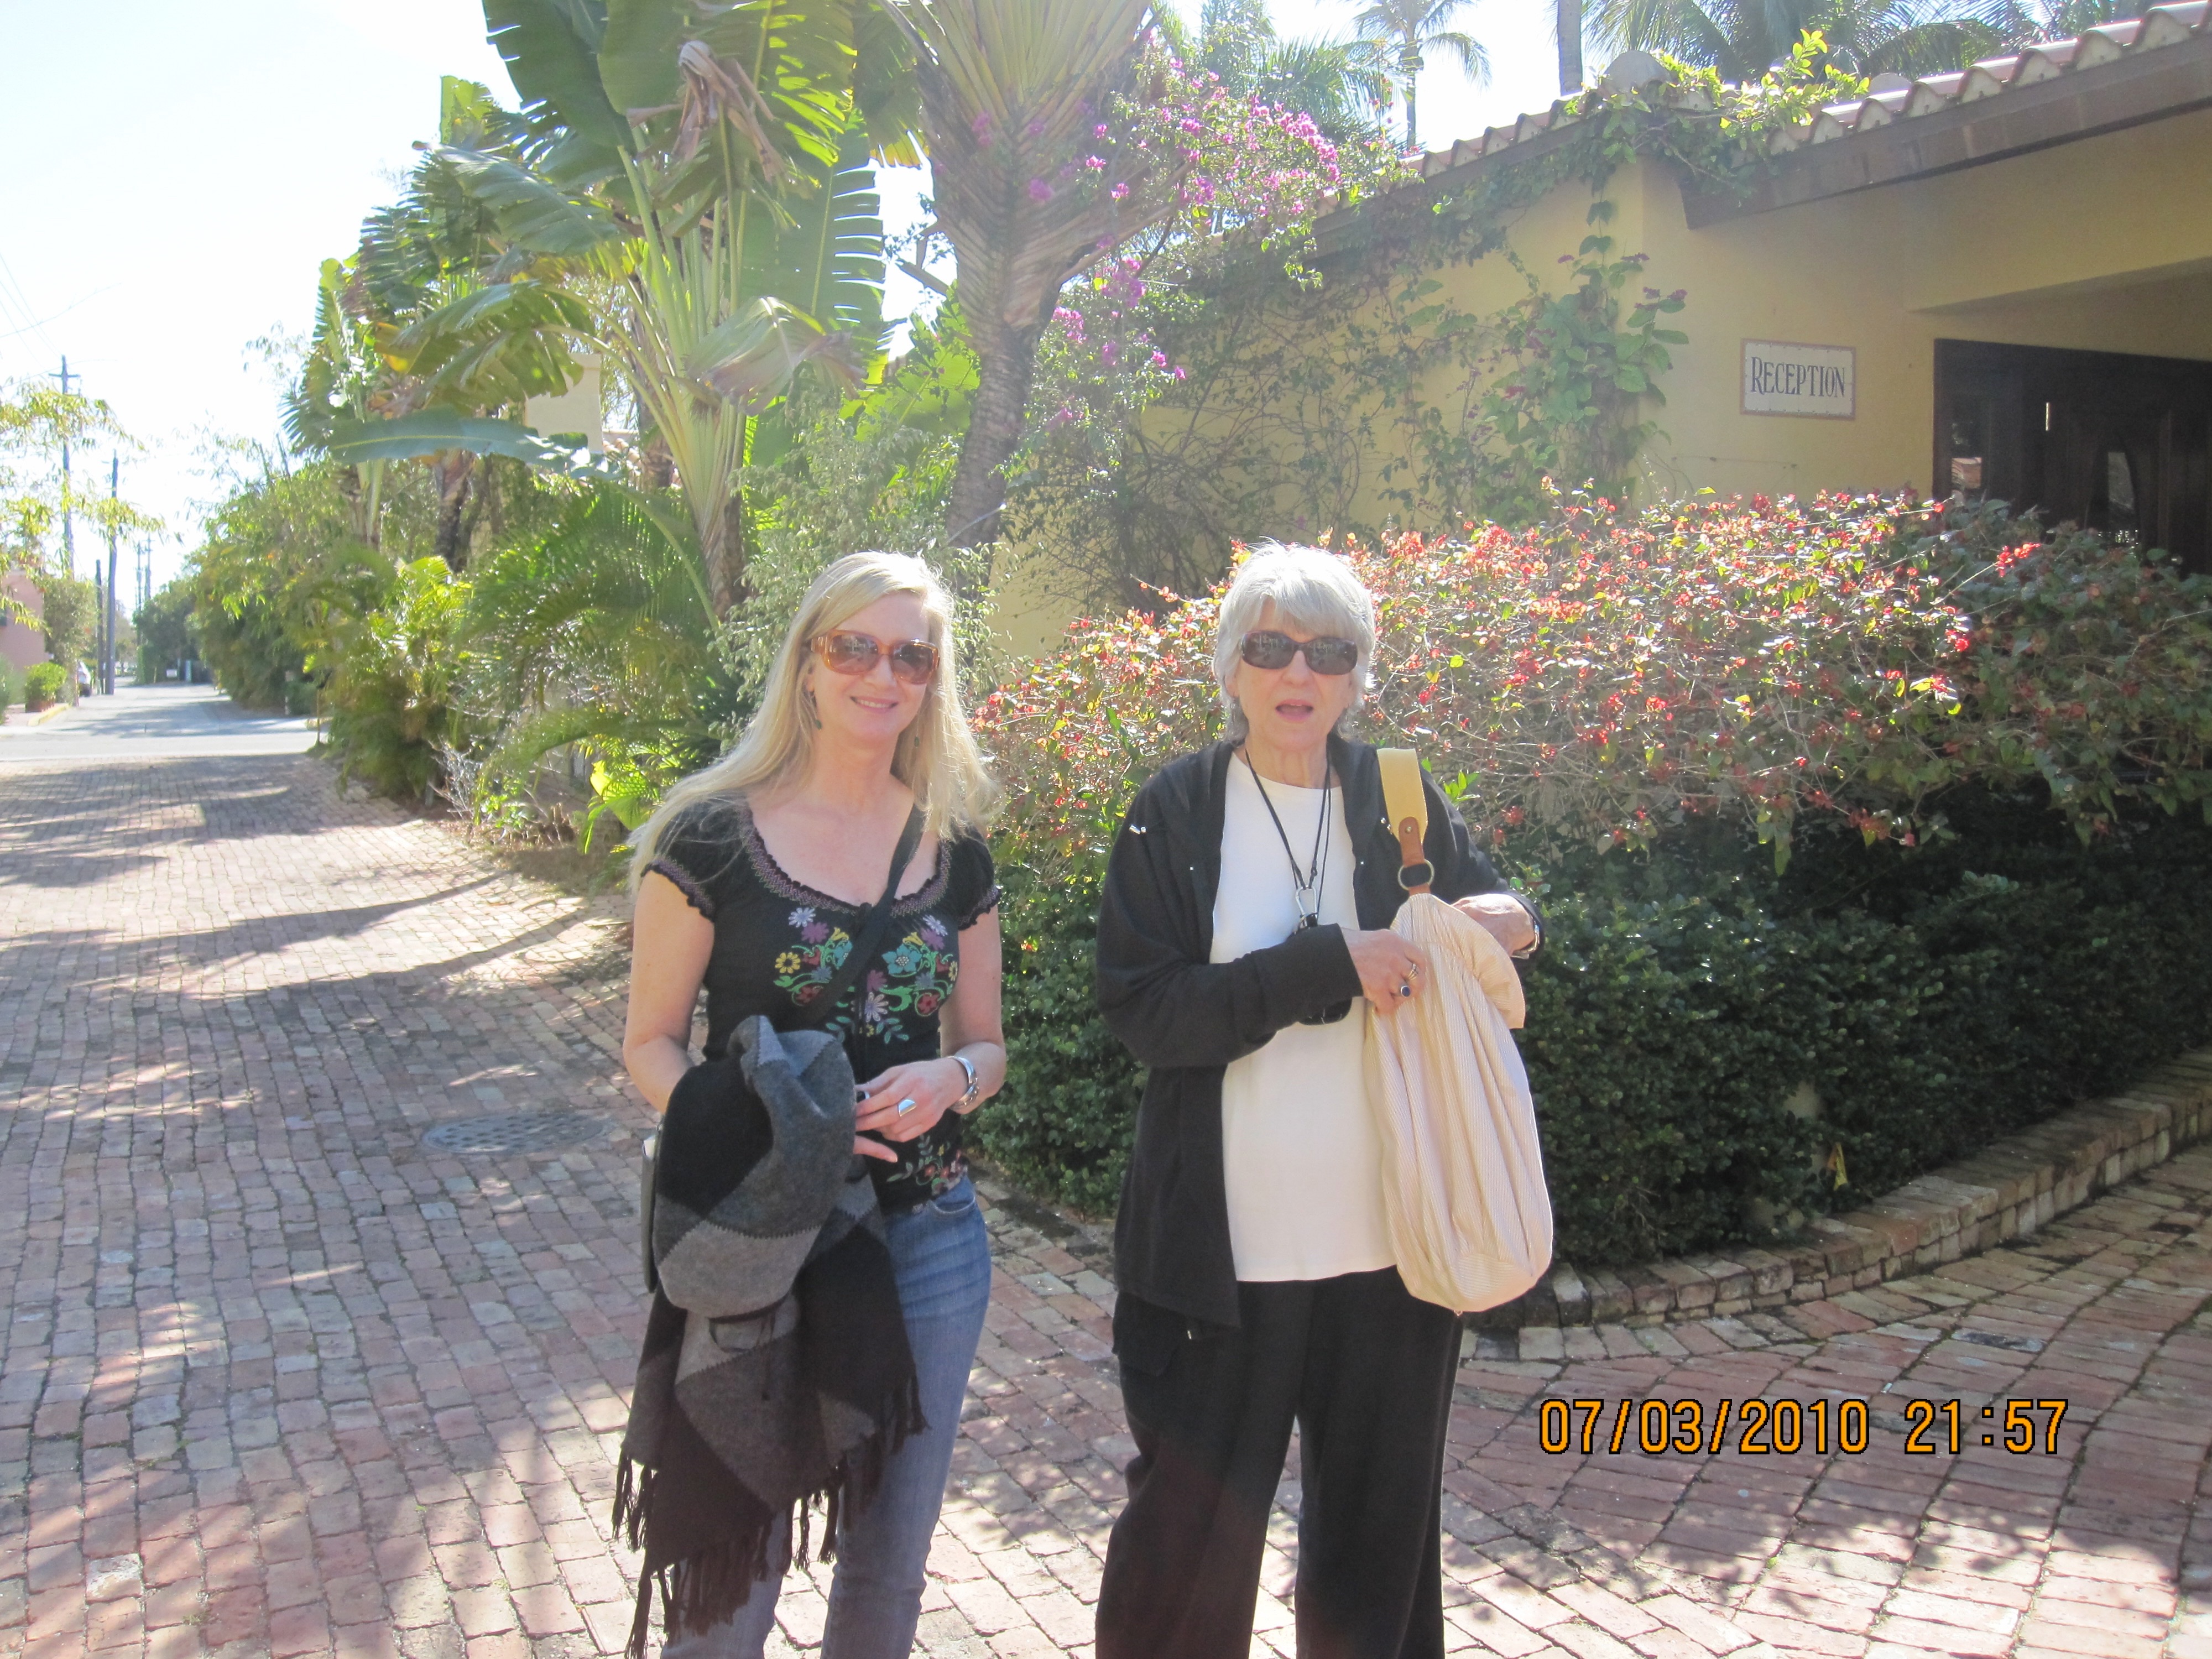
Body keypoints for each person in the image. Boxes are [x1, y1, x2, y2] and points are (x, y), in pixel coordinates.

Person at [1092, 543, 1542, 1659]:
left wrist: (1509, 921)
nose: (1299, 672)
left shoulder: (1398, 796)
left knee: (1377, 1563)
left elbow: (1495, 903)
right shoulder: (1174, 811)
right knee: (1185, 1558)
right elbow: (1144, 1011)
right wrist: (1324, 964)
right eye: (1271, 647)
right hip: (1219, 1263)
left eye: (1328, 652)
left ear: (1355, 676)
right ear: (1231, 667)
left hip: (1393, 1249)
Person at [622, 551, 1006, 1658]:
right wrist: (760, 1131)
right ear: (807, 663)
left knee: (888, 1570)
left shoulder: (956, 855)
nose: (882, 676)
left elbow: (988, 1047)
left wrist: (951, 1081)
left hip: (929, 1240)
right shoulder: (710, 838)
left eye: (911, 657)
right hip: (766, 1233)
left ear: (932, 681)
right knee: (726, 1574)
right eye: (855, 648)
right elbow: (649, 1044)